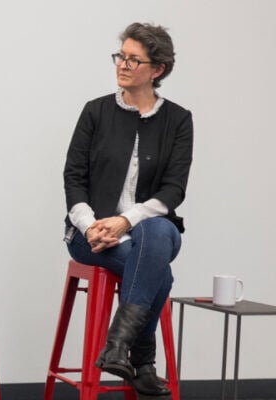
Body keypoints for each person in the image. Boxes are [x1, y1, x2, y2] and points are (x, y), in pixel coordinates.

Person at [63, 22, 192, 397]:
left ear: (157, 69)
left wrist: (126, 220)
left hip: (150, 231)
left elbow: (174, 189)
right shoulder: (96, 112)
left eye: (134, 59)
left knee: (155, 231)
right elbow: (73, 177)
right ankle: (143, 360)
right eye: (120, 56)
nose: (122, 64)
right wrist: (90, 225)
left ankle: (117, 344)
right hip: (91, 234)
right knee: (158, 274)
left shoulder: (178, 120)